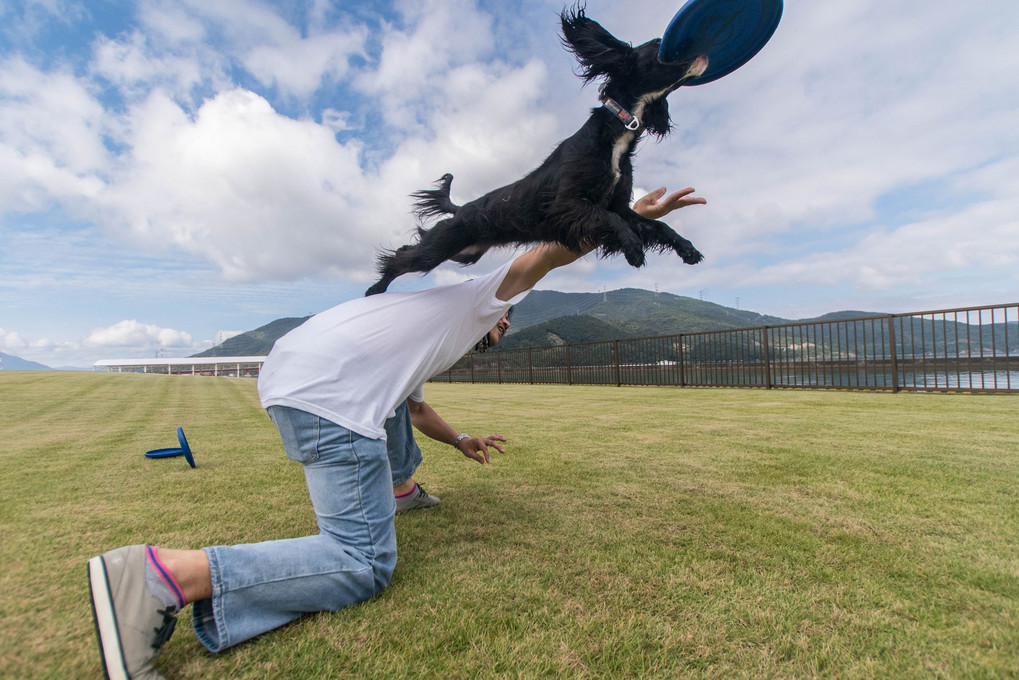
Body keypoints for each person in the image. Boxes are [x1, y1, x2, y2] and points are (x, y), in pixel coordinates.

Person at [85, 187, 705, 679]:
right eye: (506, 325)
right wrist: (627, 217)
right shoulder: (476, 304)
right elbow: (541, 256)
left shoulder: (418, 329)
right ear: (502, 317)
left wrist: (461, 441)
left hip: (294, 377)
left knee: (391, 415)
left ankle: (399, 492)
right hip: (327, 395)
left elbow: (412, 411)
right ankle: (162, 577)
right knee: (362, 563)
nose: (503, 333)